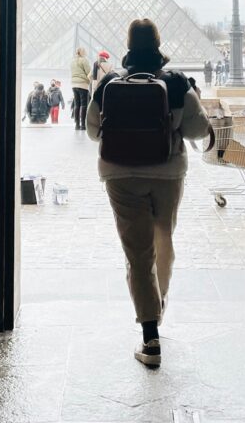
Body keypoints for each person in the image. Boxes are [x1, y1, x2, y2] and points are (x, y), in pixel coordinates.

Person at [86, 18, 210, 368]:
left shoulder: (110, 81)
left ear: (128, 44)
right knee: (163, 240)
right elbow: (199, 130)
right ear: (158, 43)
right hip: (167, 173)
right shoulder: (175, 82)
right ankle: (159, 305)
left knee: (137, 254)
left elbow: (94, 132)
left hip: (120, 175)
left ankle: (149, 336)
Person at [70, 46, 91, 130]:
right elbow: (89, 73)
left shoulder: (72, 61)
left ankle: (77, 124)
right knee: (83, 104)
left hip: (74, 84)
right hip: (82, 84)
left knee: (76, 104)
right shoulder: (84, 60)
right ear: (83, 52)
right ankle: (83, 125)